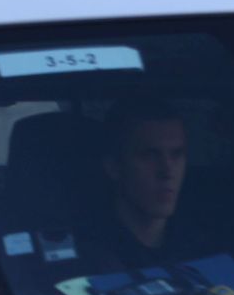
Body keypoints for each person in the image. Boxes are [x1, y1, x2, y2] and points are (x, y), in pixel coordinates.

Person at [70, 100, 209, 273]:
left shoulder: (205, 248)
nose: (167, 171)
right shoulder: (85, 257)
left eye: (176, 154)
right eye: (150, 155)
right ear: (114, 167)